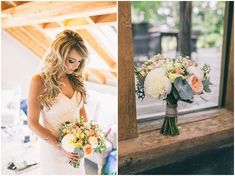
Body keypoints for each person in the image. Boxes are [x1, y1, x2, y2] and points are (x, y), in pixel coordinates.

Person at [27, 29, 88, 174]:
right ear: (58, 57)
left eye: (79, 61)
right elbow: (32, 122)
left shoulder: (77, 79)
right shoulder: (39, 81)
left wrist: (86, 137)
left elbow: (81, 111)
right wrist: (61, 147)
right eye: (71, 61)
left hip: (76, 150)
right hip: (54, 150)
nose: (75, 66)